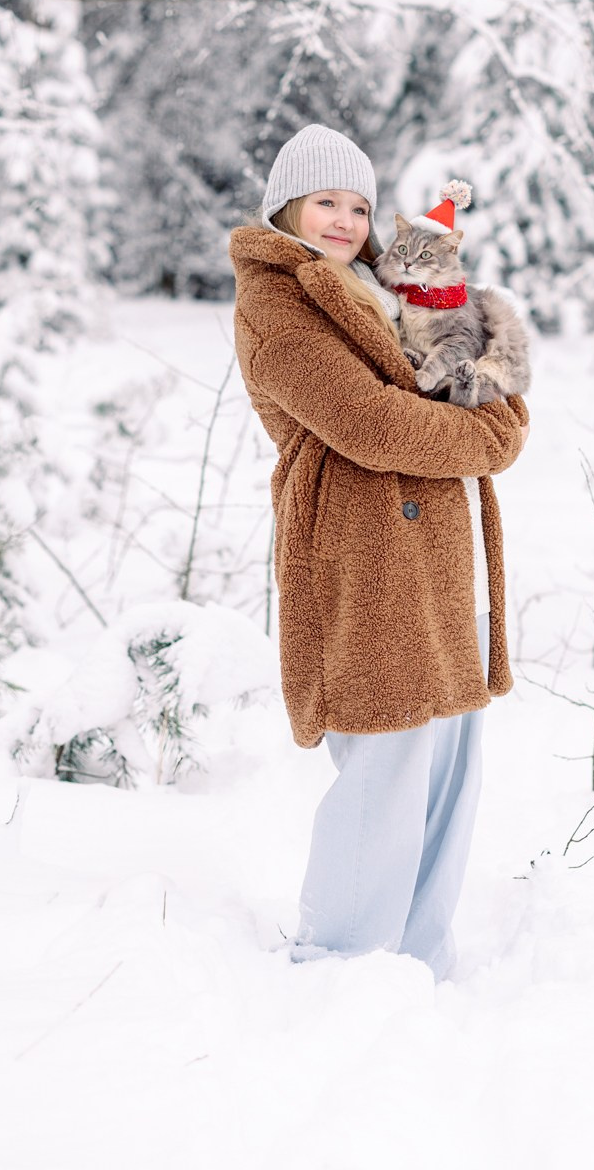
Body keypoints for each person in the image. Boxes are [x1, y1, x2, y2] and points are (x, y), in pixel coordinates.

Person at [228, 124, 528, 979]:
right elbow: (372, 424)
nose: (344, 220)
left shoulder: (387, 291)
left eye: (358, 206)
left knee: (447, 775)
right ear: (287, 206)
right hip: (364, 562)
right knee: (384, 771)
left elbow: (496, 384)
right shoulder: (277, 305)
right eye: (325, 201)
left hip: (444, 562)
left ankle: (419, 961)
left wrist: (487, 407)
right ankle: (340, 965)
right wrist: (482, 435)